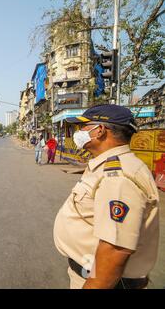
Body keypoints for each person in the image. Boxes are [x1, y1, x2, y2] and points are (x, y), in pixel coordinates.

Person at [53, 104, 159, 289]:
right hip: (90, 272)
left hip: (104, 281)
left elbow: (115, 249)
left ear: (99, 130)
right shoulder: (107, 165)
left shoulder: (118, 177)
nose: (78, 132)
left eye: (83, 127)